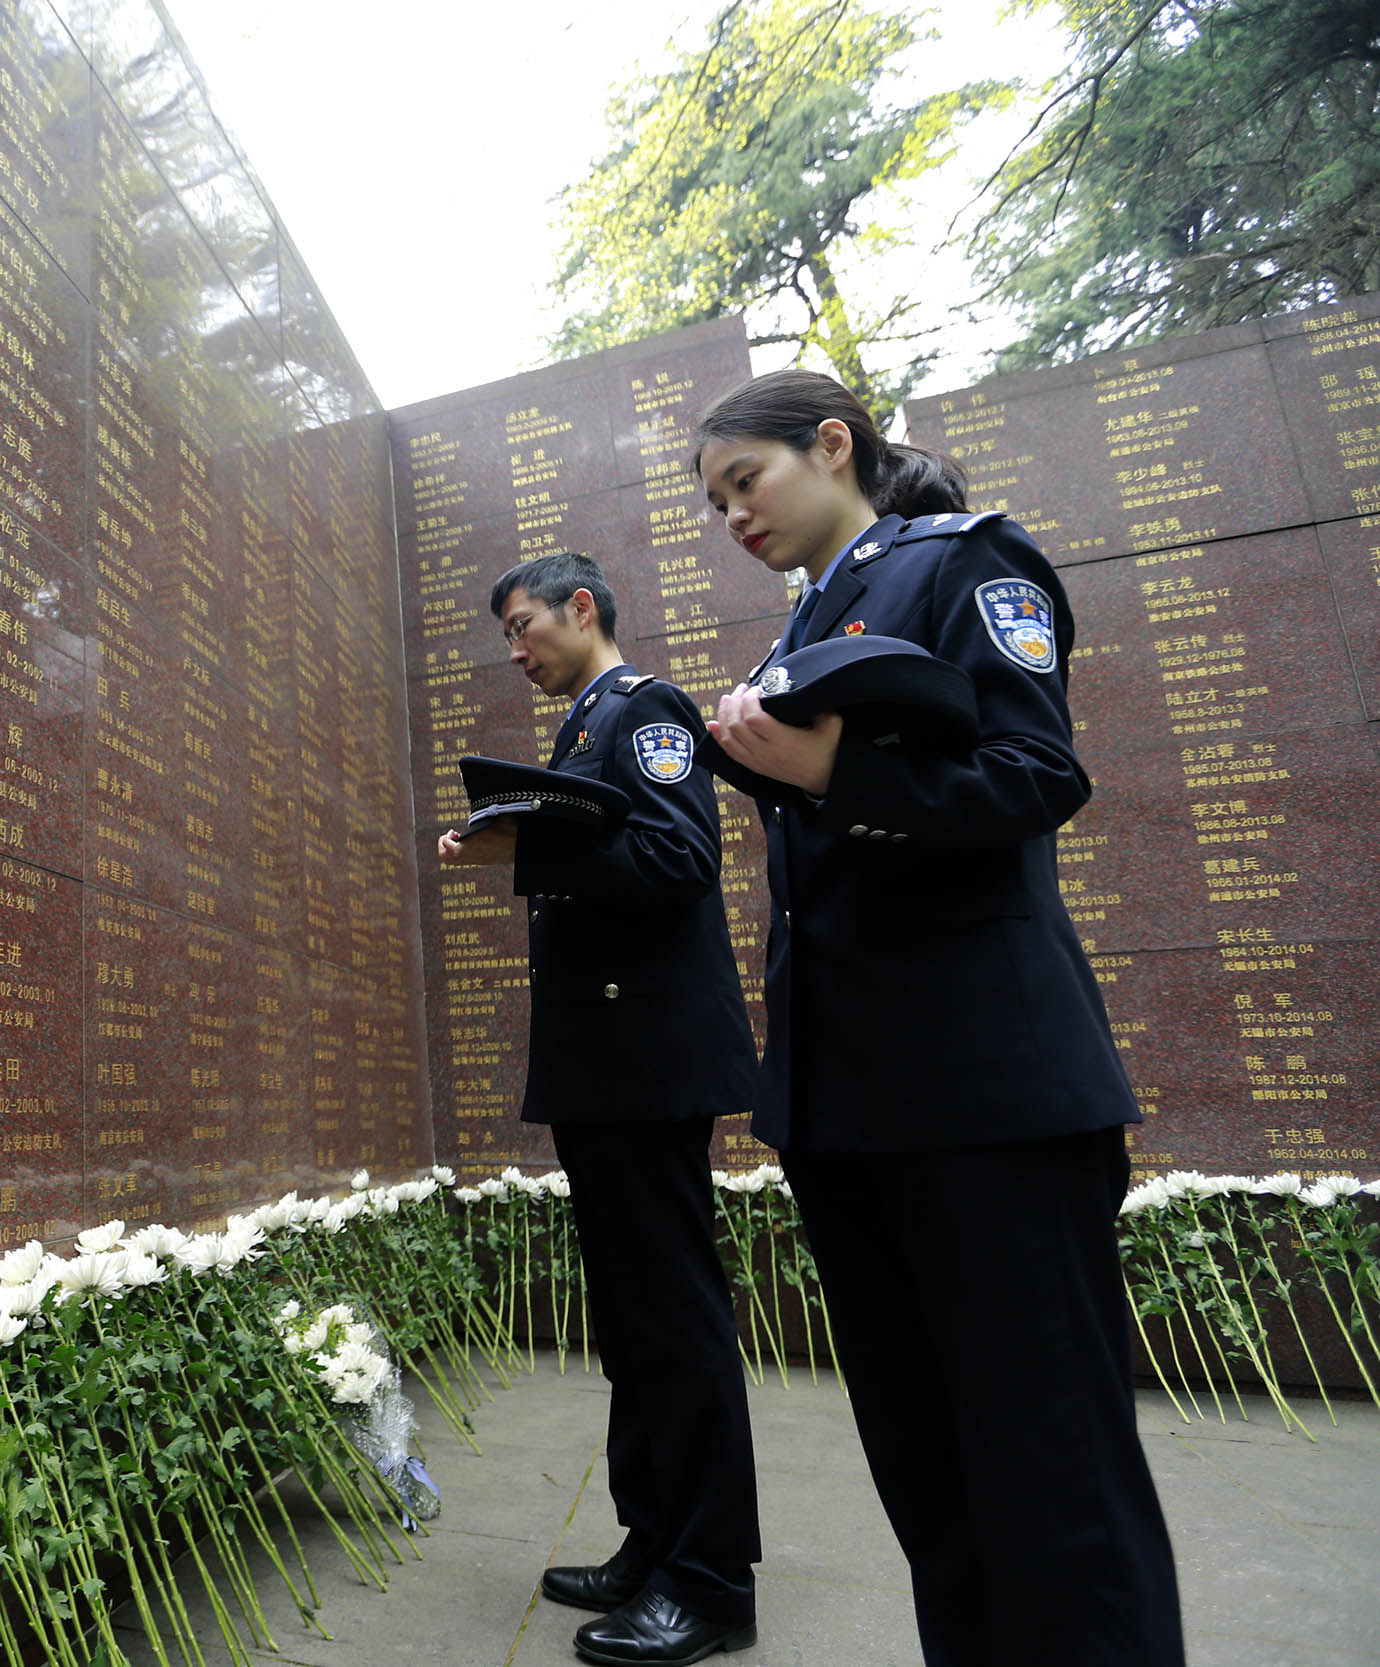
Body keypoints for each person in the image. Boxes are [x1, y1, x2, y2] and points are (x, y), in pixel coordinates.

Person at [695, 369, 1183, 1667]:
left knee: (1056, 1485)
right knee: (936, 1490)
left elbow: (1035, 772)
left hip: (988, 1099)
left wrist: (832, 767)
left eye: (745, 480)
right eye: (715, 501)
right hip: (850, 1110)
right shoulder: (802, 628)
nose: (733, 515)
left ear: (832, 443)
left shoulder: (962, 561)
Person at [439, 553, 762, 1667]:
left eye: (524, 625)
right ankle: (654, 1540)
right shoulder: (585, 728)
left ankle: (711, 1580)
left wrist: (528, 843)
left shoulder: (644, 708)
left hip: (648, 1065)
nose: (515, 649)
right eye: (507, 635)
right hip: (608, 1068)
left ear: (583, 609)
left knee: (673, 1316)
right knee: (631, 1319)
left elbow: (681, 854)